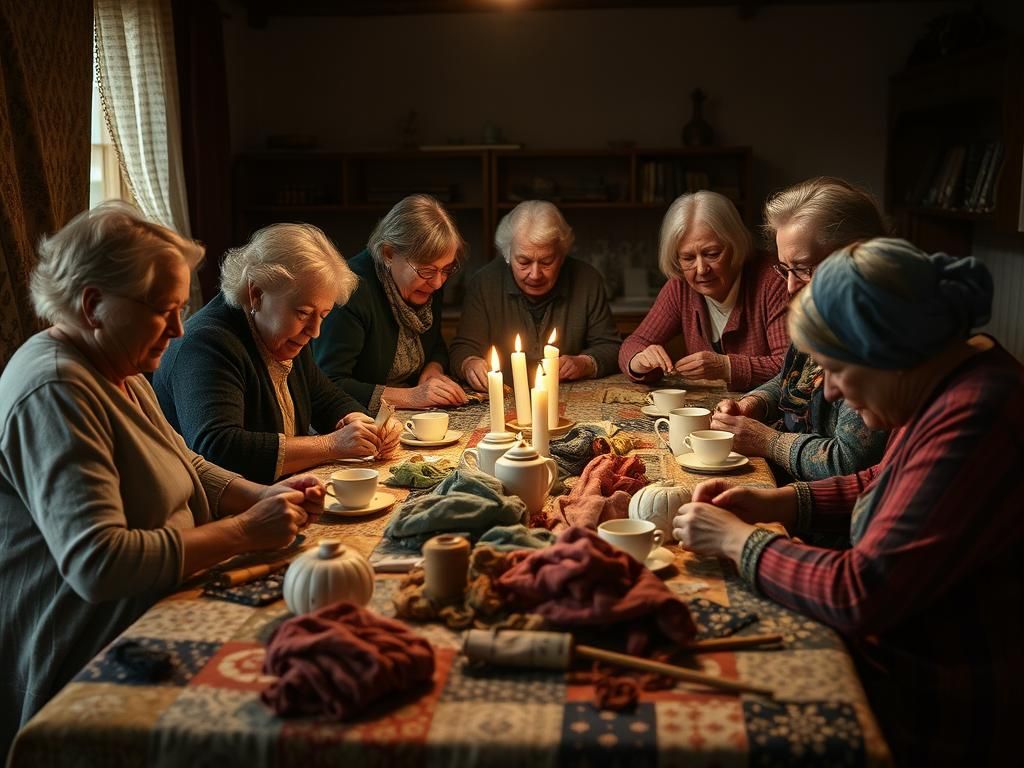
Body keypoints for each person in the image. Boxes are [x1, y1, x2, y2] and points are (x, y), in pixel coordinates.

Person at [672, 238, 1023, 766]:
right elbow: (888, 479)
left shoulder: (976, 415)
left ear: (887, 350)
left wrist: (737, 539)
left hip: (942, 709)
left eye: (835, 368)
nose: (830, 392)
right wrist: (780, 504)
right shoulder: (954, 372)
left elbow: (860, 593)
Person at [0, 203, 326, 756]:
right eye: (163, 310)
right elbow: (99, 564)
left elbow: (190, 464)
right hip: (87, 657)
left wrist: (263, 494)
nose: (178, 329)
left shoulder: (116, 368)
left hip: (151, 617)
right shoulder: (56, 389)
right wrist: (247, 530)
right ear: (93, 304)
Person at [155, 223, 399, 485]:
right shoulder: (207, 344)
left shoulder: (284, 335)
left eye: (323, 315)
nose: (315, 331)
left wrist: (358, 421)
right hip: (214, 509)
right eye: (303, 313)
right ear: (256, 293)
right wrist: (332, 444)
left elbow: (322, 396)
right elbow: (219, 447)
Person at [711, 177, 890, 481]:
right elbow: (793, 379)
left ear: (856, 255)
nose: (791, 287)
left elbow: (849, 463)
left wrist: (766, 441)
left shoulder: (876, 338)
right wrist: (754, 404)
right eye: (785, 269)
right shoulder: (822, 313)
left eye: (804, 268)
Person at [619, 190, 788, 390]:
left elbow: (791, 368)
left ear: (736, 244)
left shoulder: (774, 279)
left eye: (712, 254)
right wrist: (640, 360)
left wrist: (725, 367)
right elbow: (634, 342)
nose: (701, 269)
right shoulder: (680, 286)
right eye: (688, 258)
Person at [314, 194, 469, 412]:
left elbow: (436, 346)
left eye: (446, 269)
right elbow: (329, 382)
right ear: (388, 253)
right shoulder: (350, 292)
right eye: (426, 270)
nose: (437, 282)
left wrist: (433, 370)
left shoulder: (427, 285)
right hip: (350, 418)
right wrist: (411, 396)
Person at [449, 200, 621, 390]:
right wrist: (469, 364)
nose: (535, 274)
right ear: (507, 254)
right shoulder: (484, 283)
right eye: (524, 262)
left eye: (547, 261)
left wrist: (585, 363)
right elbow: (462, 348)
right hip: (504, 396)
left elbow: (611, 346)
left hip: (567, 396)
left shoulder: (587, 280)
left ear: (562, 255)